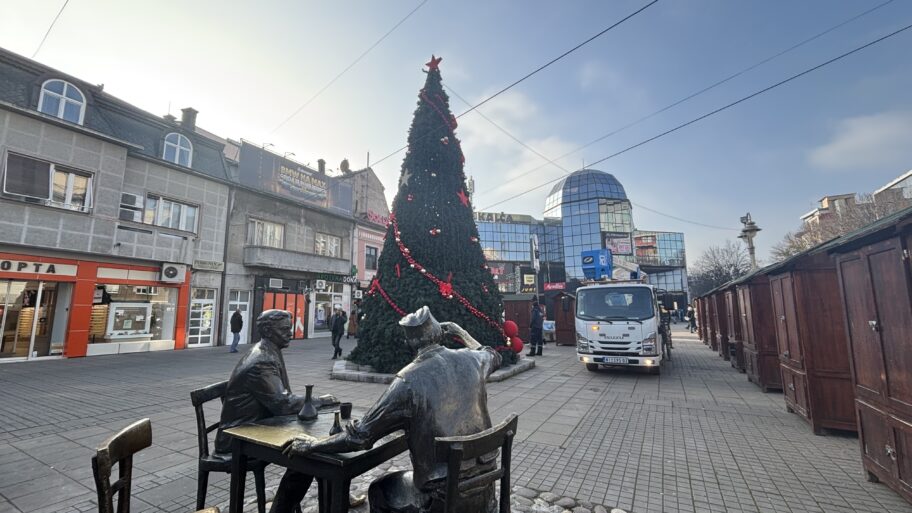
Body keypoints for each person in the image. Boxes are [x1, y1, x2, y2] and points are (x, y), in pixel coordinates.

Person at [284, 306, 502, 513]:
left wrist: (314, 445)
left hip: (441, 501)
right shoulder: (473, 359)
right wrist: (458, 330)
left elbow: (359, 437)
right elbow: (492, 353)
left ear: (410, 341)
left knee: (379, 489)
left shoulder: (407, 380)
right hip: (485, 492)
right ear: (440, 332)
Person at [213, 310, 341, 513]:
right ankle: (283, 509)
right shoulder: (262, 360)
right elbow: (283, 403)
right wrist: (319, 401)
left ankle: (331, 498)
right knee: (307, 454)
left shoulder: (269, 351)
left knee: (315, 449)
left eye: (289, 328)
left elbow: (281, 400)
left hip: (259, 426)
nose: (289, 333)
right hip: (238, 437)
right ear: (266, 330)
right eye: (284, 329)